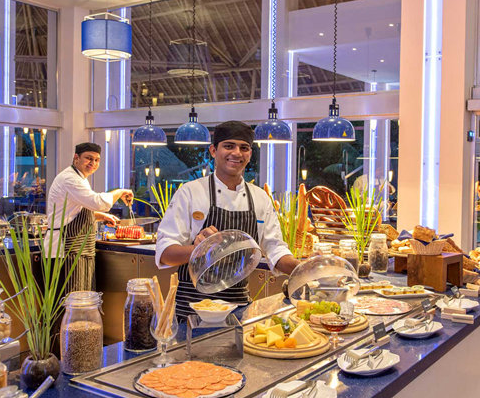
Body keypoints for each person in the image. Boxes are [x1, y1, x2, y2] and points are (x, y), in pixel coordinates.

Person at [156, 121, 300, 317]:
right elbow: (165, 252)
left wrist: (302, 269)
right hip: (191, 308)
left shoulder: (260, 198)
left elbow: (274, 248)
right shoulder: (190, 192)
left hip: (239, 307)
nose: (237, 153)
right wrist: (201, 250)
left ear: (250, 154)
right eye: (229, 146)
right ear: (213, 151)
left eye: (244, 148)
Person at [43, 142, 133, 292]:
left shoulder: (80, 178)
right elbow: (98, 203)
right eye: (89, 158)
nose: (93, 163)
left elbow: (74, 212)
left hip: (78, 251)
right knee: (69, 299)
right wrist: (120, 191)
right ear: (76, 158)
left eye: (97, 160)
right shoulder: (70, 179)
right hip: (63, 250)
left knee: (82, 298)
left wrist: (101, 216)